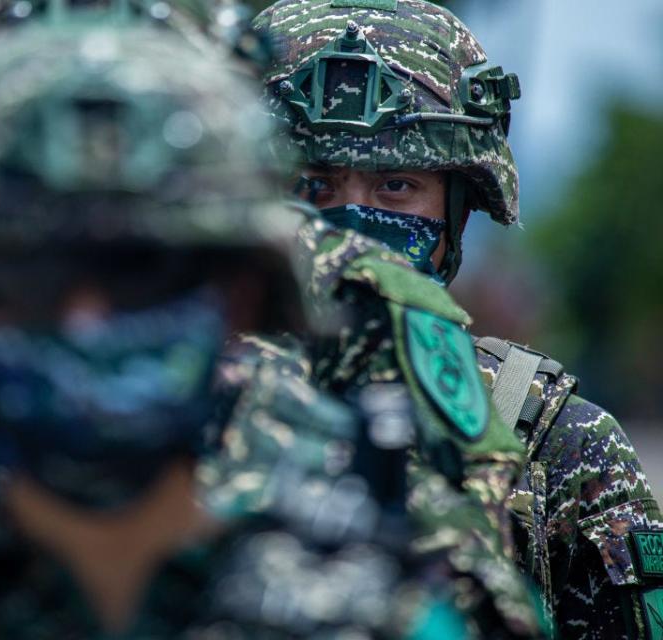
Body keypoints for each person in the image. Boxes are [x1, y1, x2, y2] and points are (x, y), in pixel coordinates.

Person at [0, 16, 519, 639]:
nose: (88, 318)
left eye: (145, 271)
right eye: (30, 275)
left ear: (244, 301)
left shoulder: (377, 619)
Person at [252, 0, 663, 636]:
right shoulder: (168, 419)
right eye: (314, 183)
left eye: (395, 187)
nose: (352, 228)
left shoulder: (554, 445)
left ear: (459, 209)